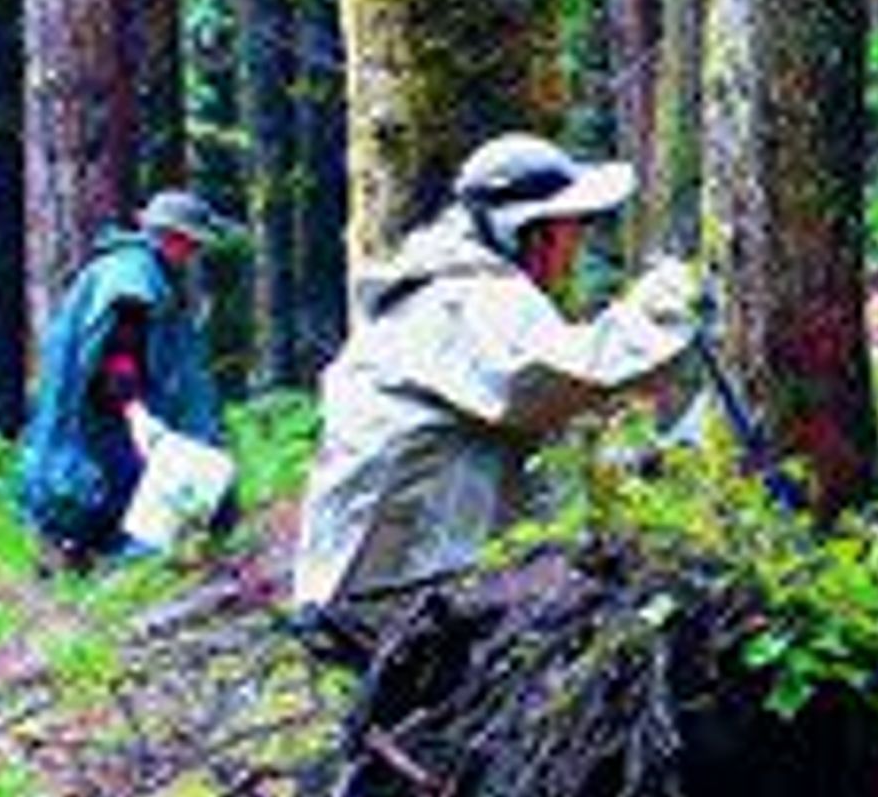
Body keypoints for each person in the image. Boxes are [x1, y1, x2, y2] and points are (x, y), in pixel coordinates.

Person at [290, 134, 703, 623]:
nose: (576, 249)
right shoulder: (464, 298)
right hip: (395, 593)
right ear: (530, 233)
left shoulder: (445, 289)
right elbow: (553, 381)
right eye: (573, 230)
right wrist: (666, 309)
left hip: (383, 581)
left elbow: (547, 442)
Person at [18, 187, 234, 557]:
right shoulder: (133, 280)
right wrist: (135, 410)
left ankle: (83, 554)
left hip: (104, 408)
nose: (193, 254)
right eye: (191, 244)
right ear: (171, 237)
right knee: (102, 486)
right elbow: (118, 352)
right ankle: (101, 561)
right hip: (106, 410)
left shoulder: (125, 268)